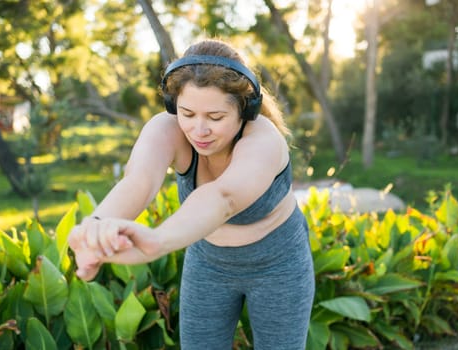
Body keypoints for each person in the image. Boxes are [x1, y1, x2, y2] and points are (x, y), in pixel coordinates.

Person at [68, 38, 315, 349]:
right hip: (208, 263)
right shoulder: (166, 129)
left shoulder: (263, 140)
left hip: (278, 264)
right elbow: (139, 181)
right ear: (174, 105)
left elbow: (223, 198)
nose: (199, 130)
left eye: (215, 118)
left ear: (245, 110)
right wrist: (96, 227)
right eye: (187, 113)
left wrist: (156, 241)